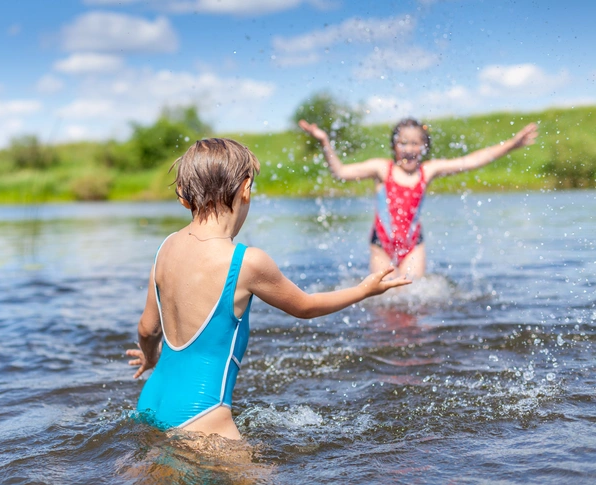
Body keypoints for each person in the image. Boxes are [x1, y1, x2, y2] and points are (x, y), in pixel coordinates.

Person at [126, 138, 410, 440]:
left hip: (151, 403)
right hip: (203, 417)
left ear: (183, 197)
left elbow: (146, 329)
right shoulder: (245, 262)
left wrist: (150, 357)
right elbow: (306, 306)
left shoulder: (165, 248)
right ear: (246, 188)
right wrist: (364, 290)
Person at [298, 118, 539, 278]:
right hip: (381, 244)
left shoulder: (428, 171)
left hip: (414, 244)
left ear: (424, 147)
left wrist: (511, 145)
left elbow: (471, 161)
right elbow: (340, 172)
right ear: (394, 146)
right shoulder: (383, 169)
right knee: (383, 297)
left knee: (416, 298)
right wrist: (324, 142)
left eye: (416, 143)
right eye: (403, 143)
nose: (409, 149)